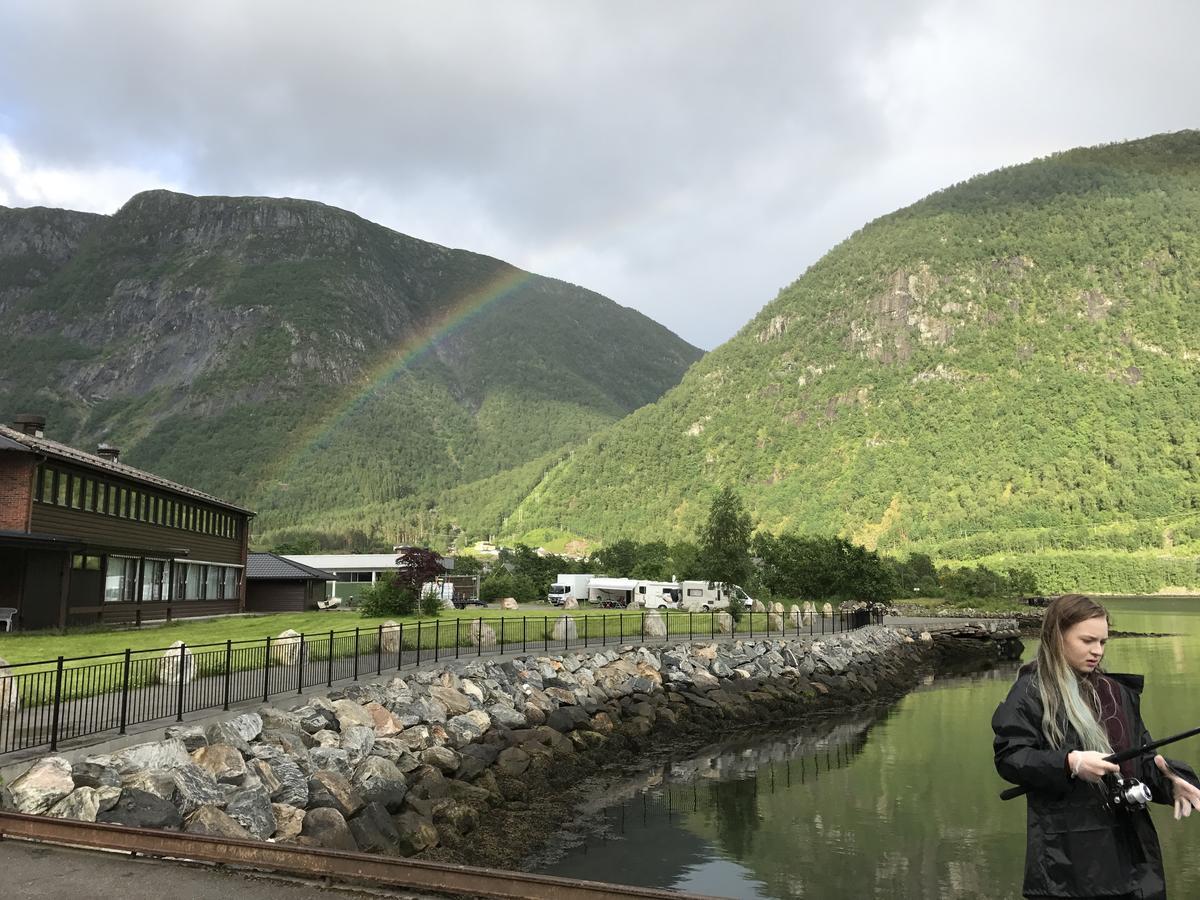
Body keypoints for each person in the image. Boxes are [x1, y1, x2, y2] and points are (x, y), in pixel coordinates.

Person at [992, 594, 1200, 899]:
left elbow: (1141, 761)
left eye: (1103, 642)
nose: (1097, 651)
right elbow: (1010, 758)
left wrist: (1172, 781)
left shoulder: (1118, 693)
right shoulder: (1030, 692)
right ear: (1056, 637)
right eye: (1087, 640)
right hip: (1069, 863)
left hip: (1134, 858)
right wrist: (1070, 763)